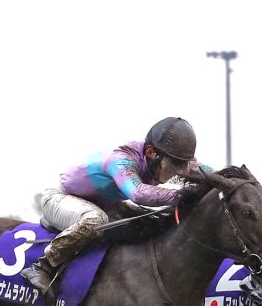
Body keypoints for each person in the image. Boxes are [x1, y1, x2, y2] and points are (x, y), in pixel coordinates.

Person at [21, 116, 205, 293]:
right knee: (96, 220)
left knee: (143, 220)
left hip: (101, 204)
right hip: (60, 198)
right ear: (150, 153)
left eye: (183, 164)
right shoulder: (121, 159)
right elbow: (137, 193)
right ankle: (43, 266)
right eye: (174, 165)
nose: (180, 172)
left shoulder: (165, 156)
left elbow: (209, 172)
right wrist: (183, 195)